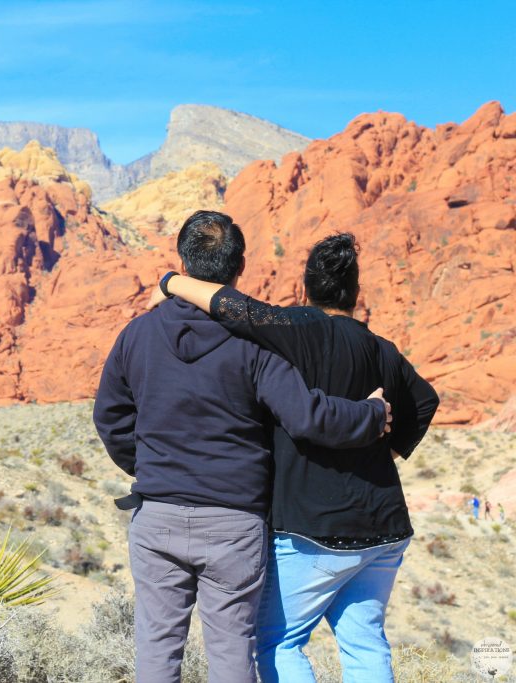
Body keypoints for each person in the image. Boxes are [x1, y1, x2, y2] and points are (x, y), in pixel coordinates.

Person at [93, 211, 391, 683]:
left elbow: (110, 417)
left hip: (157, 515)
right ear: (239, 267)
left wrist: (153, 466)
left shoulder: (138, 334)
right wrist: (372, 414)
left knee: (156, 649)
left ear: (183, 261)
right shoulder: (253, 344)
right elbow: (309, 416)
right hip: (233, 523)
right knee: (233, 652)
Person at [151, 228, 439, 682]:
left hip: (312, 527)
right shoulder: (382, 349)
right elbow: (424, 402)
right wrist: (387, 450)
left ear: (305, 288)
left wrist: (170, 281)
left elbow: (235, 308)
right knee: (365, 643)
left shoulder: (295, 330)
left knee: (277, 644)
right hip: (384, 527)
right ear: (355, 291)